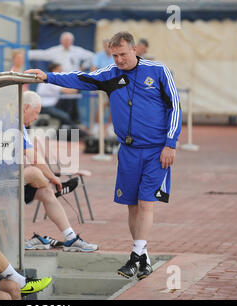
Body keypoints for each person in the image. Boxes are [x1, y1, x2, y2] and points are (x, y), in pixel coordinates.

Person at [25, 31, 182, 280]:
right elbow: (79, 78)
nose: (118, 60)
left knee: (145, 203)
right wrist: (47, 77)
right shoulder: (109, 74)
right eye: (114, 55)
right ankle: (142, 254)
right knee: (131, 205)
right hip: (128, 151)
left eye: (123, 54)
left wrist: (170, 144)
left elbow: (175, 107)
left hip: (156, 151)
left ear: (134, 50)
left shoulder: (159, 70)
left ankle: (135, 255)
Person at [22, 91, 99, 253]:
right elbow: (33, 157)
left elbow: (30, 155)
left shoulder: (20, 126)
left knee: (45, 192)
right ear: (26, 108)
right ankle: (57, 186)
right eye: (36, 113)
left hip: (11, 180)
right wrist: (51, 177)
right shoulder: (11, 123)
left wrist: (52, 174)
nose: (36, 117)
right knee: (34, 172)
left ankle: (71, 238)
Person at [36, 63, 89, 138]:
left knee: (70, 102)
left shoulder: (51, 78)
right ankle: (82, 133)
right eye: (59, 70)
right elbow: (68, 91)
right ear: (54, 70)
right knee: (65, 116)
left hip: (52, 105)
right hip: (45, 107)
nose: (61, 72)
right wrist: (79, 83)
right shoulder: (50, 79)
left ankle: (75, 122)